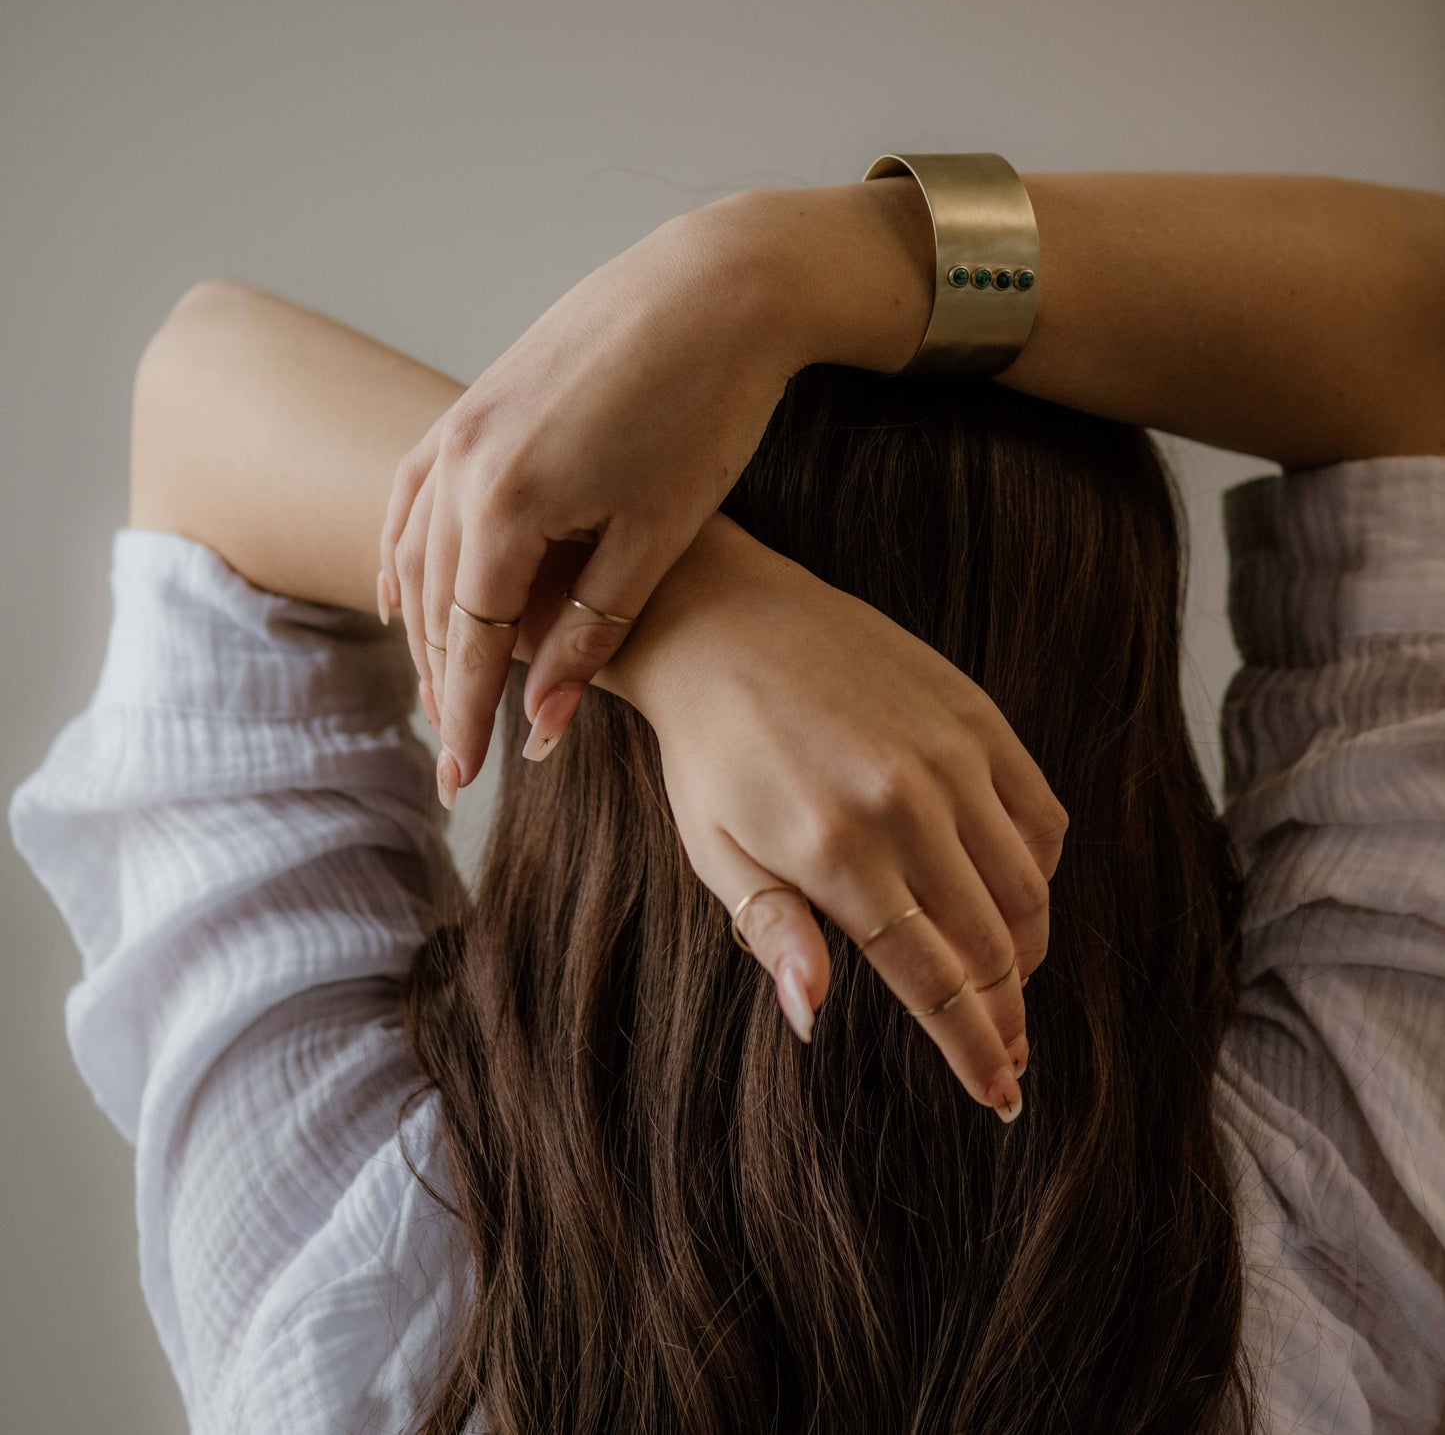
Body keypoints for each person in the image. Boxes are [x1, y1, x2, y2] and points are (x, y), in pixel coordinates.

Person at [9, 164, 1445, 1434]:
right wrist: (804, 264)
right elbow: (1414, 336)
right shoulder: (1311, 1258)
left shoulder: (361, 1282)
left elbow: (200, 400)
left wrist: (664, 616)